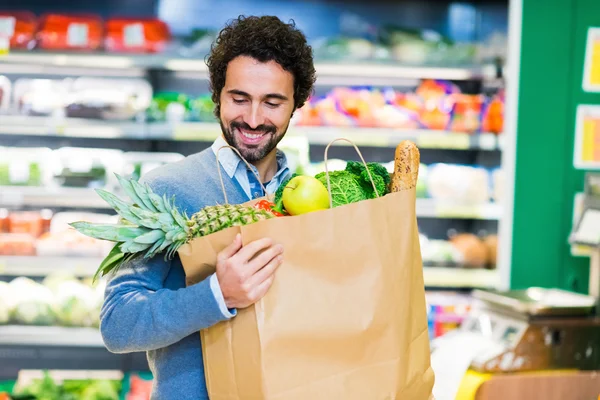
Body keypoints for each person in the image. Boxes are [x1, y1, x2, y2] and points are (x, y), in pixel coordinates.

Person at [99, 15, 317, 399]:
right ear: (217, 96)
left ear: (296, 104)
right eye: (239, 98)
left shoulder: (317, 200)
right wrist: (217, 295)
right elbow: (118, 323)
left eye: (272, 102)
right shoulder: (162, 189)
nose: (253, 118)